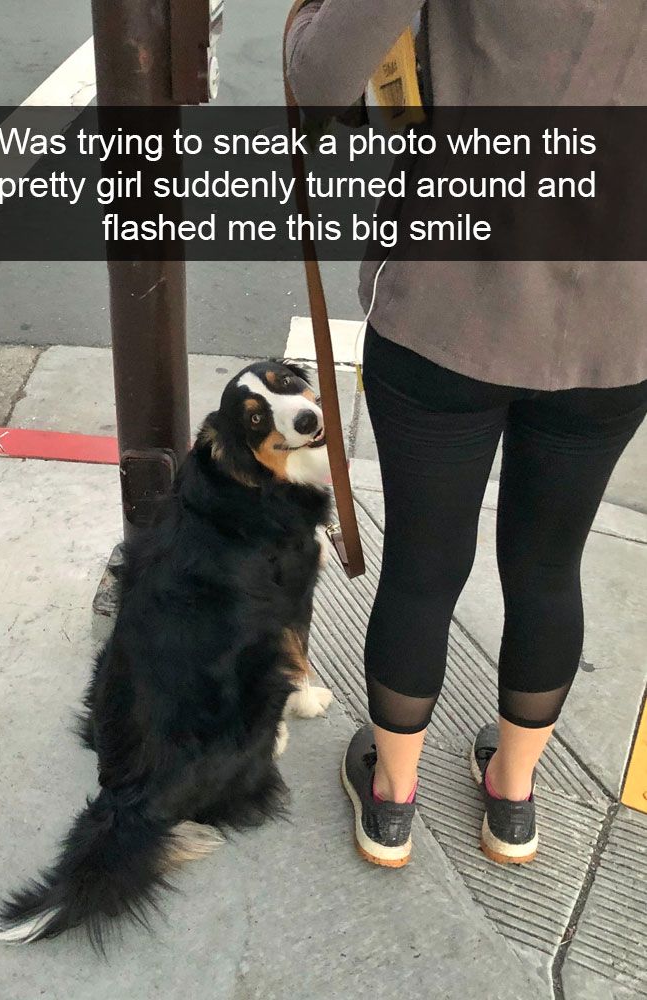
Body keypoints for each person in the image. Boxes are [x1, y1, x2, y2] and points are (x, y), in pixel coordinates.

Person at [286, 0, 647, 866]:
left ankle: (393, 798)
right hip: (619, 319)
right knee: (550, 566)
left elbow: (323, 75)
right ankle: (512, 797)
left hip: (447, 305)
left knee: (423, 566)